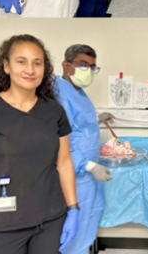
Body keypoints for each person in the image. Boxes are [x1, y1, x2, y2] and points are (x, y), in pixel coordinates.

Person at [0, 34, 79, 254]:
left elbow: (64, 163)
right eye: (21, 61)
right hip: (3, 224)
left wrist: (73, 209)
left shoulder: (53, 110)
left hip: (50, 219)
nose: (30, 70)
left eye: (38, 63)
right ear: (6, 66)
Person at [55, 45, 114, 254]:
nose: (88, 71)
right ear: (66, 65)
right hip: (75, 174)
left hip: (87, 177)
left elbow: (77, 126)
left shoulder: (78, 91)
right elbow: (58, 141)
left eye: (92, 67)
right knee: (73, 231)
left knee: (88, 222)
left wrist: (97, 119)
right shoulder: (58, 94)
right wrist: (88, 165)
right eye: (83, 65)